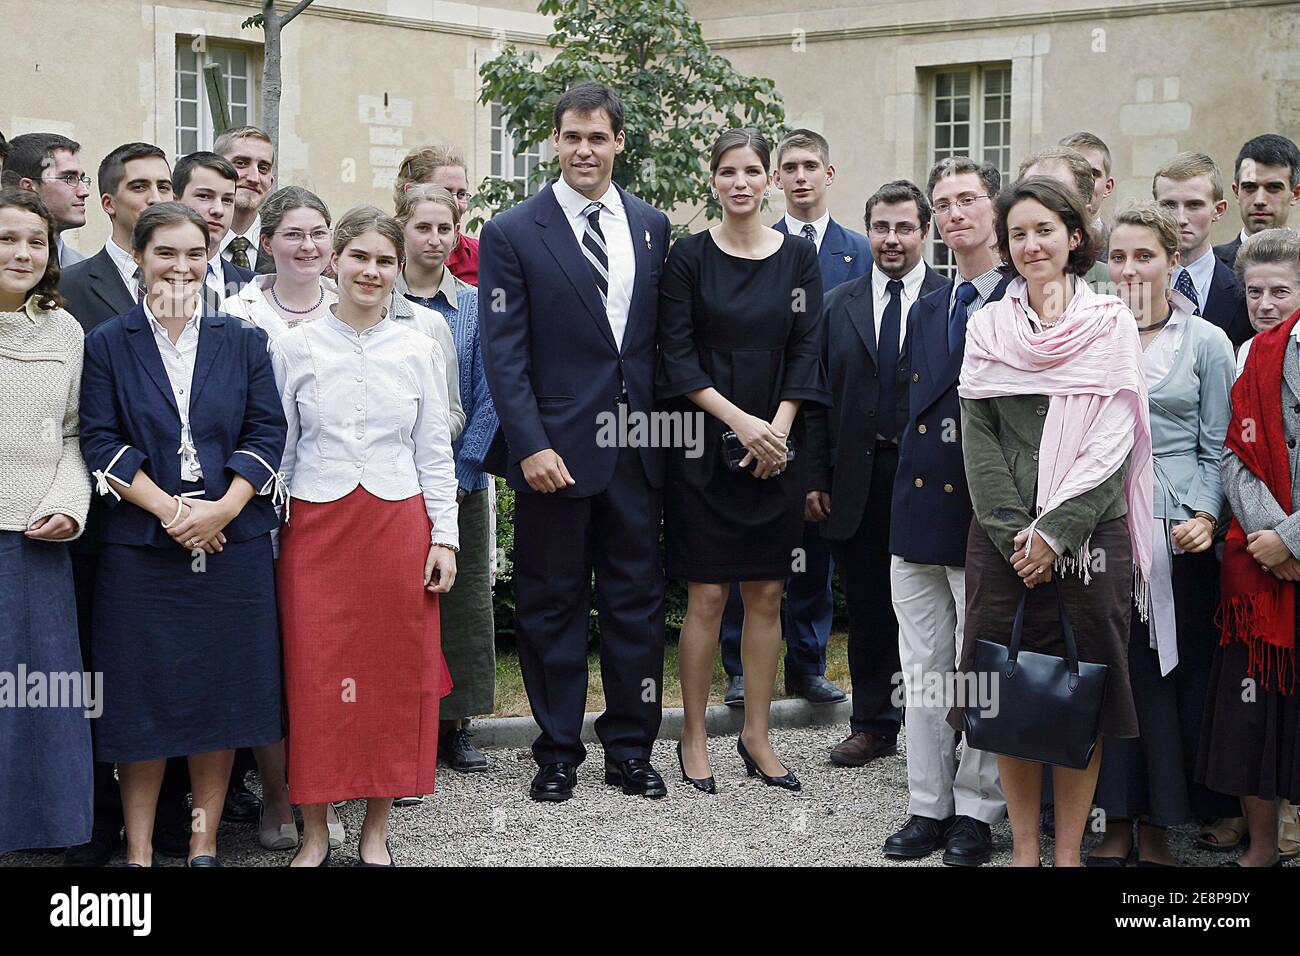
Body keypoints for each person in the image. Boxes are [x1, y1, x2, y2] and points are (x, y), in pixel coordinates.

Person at [78, 201, 288, 867]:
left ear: (209, 260)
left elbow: (267, 434)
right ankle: (138, 850)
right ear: (139, 259)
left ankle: (202, 842)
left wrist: (221, 510)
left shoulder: (245, 341)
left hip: (234, 542)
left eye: (194, 253)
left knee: (220, 693)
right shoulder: (107, 342)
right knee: (139, 697)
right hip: (142, 547)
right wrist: (175, 513)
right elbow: (100, 441)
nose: (180, 265)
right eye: (165, 252)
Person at [953, 176, 1153, 867]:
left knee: (1080, 693)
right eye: (1018, 234)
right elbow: (977, 439)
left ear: (1073, 237)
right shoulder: (987, 327)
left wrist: (1054, 532)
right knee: (1007, 694)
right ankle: (1025, 853)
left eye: (1044, 230)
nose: (1031, 244)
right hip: (1002, 544)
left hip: (1089, 543)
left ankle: (1068, 854)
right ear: (1005, 247)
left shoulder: (1111, 323)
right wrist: (1019, 532)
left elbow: (1115, 440)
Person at [480, 82, 671, 803]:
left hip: (636, 449)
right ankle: (557, 750)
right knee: (552, 605)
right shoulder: (512, 232)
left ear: (619, 142)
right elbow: (505, 353)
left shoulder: (652, 227)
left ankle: (630, 748)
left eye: (598, 136)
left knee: (635, 605)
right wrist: (528, 444)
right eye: (571, 136)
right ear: (555, 142)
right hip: (553, 455)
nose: (584, 149)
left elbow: (649, 348)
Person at [272, 205, 459, 867]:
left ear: (396, 269)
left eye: (385, 261)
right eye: (360, 258)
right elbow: (282, 452)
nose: (372, 271)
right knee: (316, 679)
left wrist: (445, 539)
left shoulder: (417, 347)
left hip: (396, 526)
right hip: (316, 530)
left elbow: (434, 451)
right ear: (334, 261)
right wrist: (273, 530)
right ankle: (315, 830)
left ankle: (378, 827)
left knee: (392, 678)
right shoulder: (294, 345)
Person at [658, 129, 826, 795]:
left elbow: (807, 349)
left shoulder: (800, 261)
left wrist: (777, 432)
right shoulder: (688, 258)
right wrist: (741, 423)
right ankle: (694, 735)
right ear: (713, 180)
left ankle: (757, 735)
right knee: (706, 595)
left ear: (771, 180)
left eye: (752, 170)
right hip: (703, 447)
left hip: (778, 452)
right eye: (728, 170)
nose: (740, 181)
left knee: (766, 593)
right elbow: (676, 355)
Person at [1089, 202, 1236, 866]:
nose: (1129, 268)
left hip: (1176, 536)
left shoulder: (1205, 342)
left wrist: (1205, 515)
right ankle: (1114, 817)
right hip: (1101, 525)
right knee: (1107, 674)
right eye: (1117, 256)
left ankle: (1159, 825)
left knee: (1160, 679)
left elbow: (1217, 448)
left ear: (1173, 262)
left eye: (1144, 255)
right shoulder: (1086, 333)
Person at [881, 158, 1010, 865]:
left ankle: (977, 811)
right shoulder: (928, 301)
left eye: (969, 200)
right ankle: (926, 804)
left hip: (985, 513)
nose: (956, 213)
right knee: (925, 669)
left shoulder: (1025, 300)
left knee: (979, 668)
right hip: (917, 510)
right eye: (945, 203)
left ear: (996, 209)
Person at [714, 128, 867, 708]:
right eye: (790, 167)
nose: (800, 176)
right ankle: (738, 667)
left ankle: (808, 662)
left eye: (811, 166)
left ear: (829, 174)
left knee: (813, 554)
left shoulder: (859, 247)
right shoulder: (754, 243)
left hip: (823, 417)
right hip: (759, 415)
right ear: (775, 178)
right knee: (743, 551)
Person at [58, 141, 177, 866]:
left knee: (163, 670)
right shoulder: (73, 285)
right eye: (140, 186)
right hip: (98, 520)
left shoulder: (197, 280)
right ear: (110, 203)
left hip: (183, 520)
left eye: (166, 183)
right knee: (98, 676)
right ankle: (94, 821)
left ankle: (165, 819)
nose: (156, 193)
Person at [218, 184, 347, 852]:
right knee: (275, 659)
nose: (308, 246)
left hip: (338, 511)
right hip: (257, 509)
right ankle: (276, 792)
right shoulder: (236, 312)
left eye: (318, 232)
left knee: (329, 659)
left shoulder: (356, 306)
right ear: (266, 243)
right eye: (292, 234)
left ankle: (324, 789)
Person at [806, 180, 944, 769]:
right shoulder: (837, 304)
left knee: (939, 612)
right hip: (857, 479)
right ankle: (874, 724)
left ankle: (941, 731)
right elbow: (814, 399)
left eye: (904, 228)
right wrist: (815, 478)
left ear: (925, 231)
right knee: (868, 608)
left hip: (932, 480)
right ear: (868, 232)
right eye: (881, 228)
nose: (892, 240)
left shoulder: (953, 300)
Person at [1198, 225, 1300, 867]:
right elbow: (1235, 455)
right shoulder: (1245, 357)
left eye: (1281, 291)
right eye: (1255, 291)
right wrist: (1268, 540)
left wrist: (1293, 540)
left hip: (1289, 544)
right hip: (1255, 560)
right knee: (1253, 709)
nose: (1265, 303)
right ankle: (1262, 843)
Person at [0, 187, 93, 856]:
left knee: (36, 701)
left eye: (36, 241)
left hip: (35, 542)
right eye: (7, 238)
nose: (22, 252)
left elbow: (71, 435)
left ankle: (36, 833)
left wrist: (67, 504)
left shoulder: (66, 332)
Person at [395, 183, 498, 773]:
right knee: (403, 605)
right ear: (402, 229)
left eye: (445, 229)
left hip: (462, 477)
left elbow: (491, 395)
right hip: (390, 483)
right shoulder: (381, 297)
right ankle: (406, 718)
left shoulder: (475, 305)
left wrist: (463, 469)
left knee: (460, 603)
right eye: (422, 228)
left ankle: (456, 724)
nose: (435, 240)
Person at [1153, 152, 1252, 349]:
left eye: (1194, 205)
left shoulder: (1246, 293)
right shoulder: (1135, 288)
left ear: (1219, 210)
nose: (1180, 218)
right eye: (1169, 205)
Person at [172, 151, 254, 310]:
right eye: (204, 196)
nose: (218, 210)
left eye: (227, 200)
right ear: (175, 201)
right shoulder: (147, 279)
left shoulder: (254, 286)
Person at [1019, 145, 1108, 290]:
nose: (1041, 210)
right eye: (1032, 195)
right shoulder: (994, 293)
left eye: (1057, 201)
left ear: (1085, 214)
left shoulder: (1115, 287)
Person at [394, 144, 480, 285]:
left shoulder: (481, 255)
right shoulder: (380, 255)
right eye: (443, 193)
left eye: (461, 194)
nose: (455, 204)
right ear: (410, 192)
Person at [2, 133, 90, 266]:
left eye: (82, 179)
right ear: (27, 188)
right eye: (69, 178)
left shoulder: (88, 270)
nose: (84, 192)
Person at [1213, 134, 1300, 269]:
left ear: (1295, 193)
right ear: (1236, 192)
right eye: (1249, 187)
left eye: (1273, 188)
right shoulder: (1212, 264)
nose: (1259, 200)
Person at [215, 126, 276, 274]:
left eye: (263, 168)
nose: (254, 178)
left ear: (271, 181)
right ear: (215, 170)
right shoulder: (189, 245)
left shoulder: (284, 249)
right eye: (241, 163)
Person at [1059, 132, 1115, 248]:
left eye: (1093, 174)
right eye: (1073, 172)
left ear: (1108, 187)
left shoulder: (1118, 247)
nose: (1083, 182)